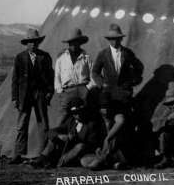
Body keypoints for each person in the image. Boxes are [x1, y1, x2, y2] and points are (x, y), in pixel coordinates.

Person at [91, 24, 144, 168]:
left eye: (117, 39)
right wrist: (102, 84)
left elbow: (139, 68)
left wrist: (132, 83)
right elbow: (94, 72)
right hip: (108, 98)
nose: (114, 42)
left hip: (123, 98)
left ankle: (107, 155)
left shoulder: (127, 53)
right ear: (108, 40)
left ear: (121, 39)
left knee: (121, 125)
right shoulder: (103, 54)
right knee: (109, 125)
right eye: (111, 39)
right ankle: (111, 159)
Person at [10, 27, 54, 164]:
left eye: (35, 42)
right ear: (26, 43)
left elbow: (51, 77)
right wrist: (14, 98)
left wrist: (49, 92)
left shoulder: (45, 57)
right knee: (22, 124)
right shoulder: (19, 57)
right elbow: (15, 80)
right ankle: (18, 154)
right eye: (30, 42)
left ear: (38, 42)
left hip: (40, 94)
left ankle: (43, 154)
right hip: (24, 95)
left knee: (43, 124)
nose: (33, 44)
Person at [32, 98, 105, 168]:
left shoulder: (91, 124)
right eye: (75, 113)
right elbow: (51, 131)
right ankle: (42, 158)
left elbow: (91, 144)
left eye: (80, 112)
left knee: (80, 146)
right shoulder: (71, 121)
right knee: (53, 139)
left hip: (82, 153)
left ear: (84, 111)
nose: (78, 115)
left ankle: (56, 163)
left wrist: (74, 138)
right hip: (67, 150)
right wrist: (60, 136)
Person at [54, 28, 96, 126]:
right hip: (67, 90)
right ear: (69, 43)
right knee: (63, 116)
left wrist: (87, 88)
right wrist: (60, 91)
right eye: (72, 42)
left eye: (76, 42)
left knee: (85, 114)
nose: (74, 44)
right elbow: (57, 76)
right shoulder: (61, 58)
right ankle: (58, 139)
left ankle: (84, 137)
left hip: (83, 89)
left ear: (80, 42)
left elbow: (94, 74)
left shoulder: (86, 57)